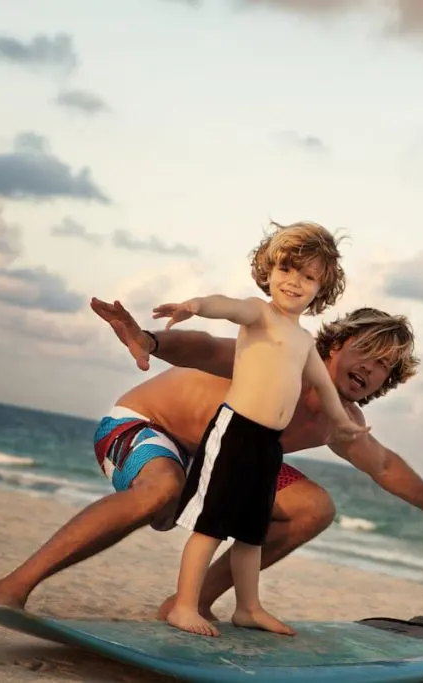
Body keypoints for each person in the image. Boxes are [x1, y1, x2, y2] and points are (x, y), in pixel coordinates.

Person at [0, 266, 423, 620]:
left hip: (224, 457)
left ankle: (190, 604)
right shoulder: (279, 356)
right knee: (160, 488)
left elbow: (384, 465)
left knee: (313, 508)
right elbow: (205, 347)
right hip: (144, 426)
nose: (373, 368)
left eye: (385, 366)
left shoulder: (340, 420)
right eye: (367, 352)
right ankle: (12, 587)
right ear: (335, 344)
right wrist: (150, 341)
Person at [154, 221, 369, 637]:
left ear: (321, 289)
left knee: (251, 532)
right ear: (269, 271)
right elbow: (227, 305)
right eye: (288, 270)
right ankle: (184, 605)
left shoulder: (304, 341)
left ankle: (248, 608)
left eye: (309, 276)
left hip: (269, 446)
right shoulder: (260, 313)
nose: (295, 282)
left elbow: (325, 387)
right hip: (235, 433)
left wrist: (343, 425)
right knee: (211, 524)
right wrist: (195, 305)